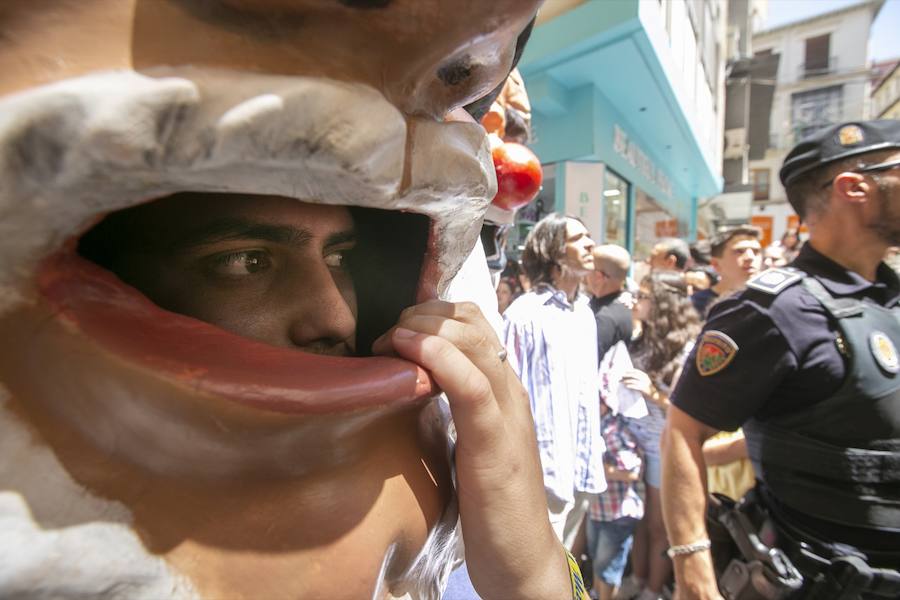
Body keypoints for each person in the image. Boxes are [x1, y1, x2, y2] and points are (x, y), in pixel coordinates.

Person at [0, 2, 591, 599]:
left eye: (340, 259)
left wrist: (532, 572)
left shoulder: (457, 532)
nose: (335, 317)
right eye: (247, 263)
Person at [662, 120, 900, 600]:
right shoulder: (774, 310)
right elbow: (684, 432)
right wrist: (694, 575)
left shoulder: (888, 298)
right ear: (854, 188)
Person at [502, 213, 607, 550]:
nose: (591, 243)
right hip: (542, 482)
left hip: (579, 474)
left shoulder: (585, 313)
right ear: (554, 251)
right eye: (578, 238)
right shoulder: (525, 314)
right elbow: (506, 396)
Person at [622, 271, 701, 600]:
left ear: (663, 303)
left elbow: (693, 414)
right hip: (633, 445)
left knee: (658, 526)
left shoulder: (687, 347)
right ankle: (637, 581)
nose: (635, 302)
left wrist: (652, 392)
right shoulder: (641, 336)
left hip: (661, 449)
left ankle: (654, 590)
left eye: (642, 296)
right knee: (638, 522)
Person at [587, 401, 645, 600]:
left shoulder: (614, 429)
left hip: (618, 512)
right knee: (597, 559)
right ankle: (595, 594)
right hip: (598, 509)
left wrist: (599, 469)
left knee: (608, 566)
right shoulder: (594, 426)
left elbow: (632, 472)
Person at [690, 226, 762, 319]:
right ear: (716, 264)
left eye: (756, 251)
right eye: (739, 251)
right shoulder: (694, 304)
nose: (750, 257)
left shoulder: (769, 300)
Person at [584, 244, 634, 362]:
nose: (584, 273)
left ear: (598, 276)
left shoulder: (605, 318)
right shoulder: (628, 306)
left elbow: (588, 362)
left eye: (588, 268)